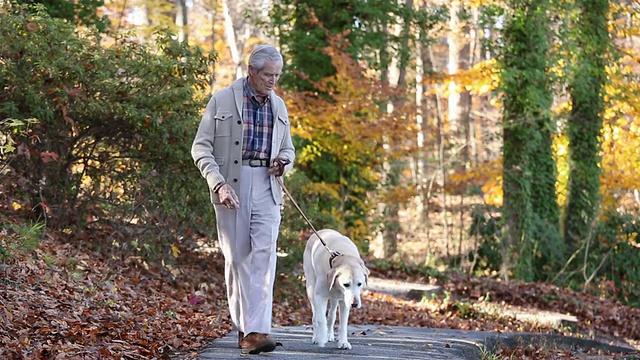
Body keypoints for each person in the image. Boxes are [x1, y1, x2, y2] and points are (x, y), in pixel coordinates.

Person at [191, 44, 295, 354]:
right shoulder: (222, 100)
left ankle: (257, 331)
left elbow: (288, 148)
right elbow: (200, 148)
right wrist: (218, 184)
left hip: (267, 184)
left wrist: (283, 161)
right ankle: (243, 327)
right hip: (231, 186)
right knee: (238, 260)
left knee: (264, 257)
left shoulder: (279, 106)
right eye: (267, 74)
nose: (272, 81)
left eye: (276, 75)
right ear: (251, 71)